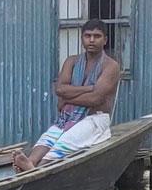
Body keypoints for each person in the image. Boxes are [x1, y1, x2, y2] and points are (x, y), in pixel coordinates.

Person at [13, 18, 122, 171]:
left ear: (105, 40)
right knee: (48, 137)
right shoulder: (72, 61)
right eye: (87, 35)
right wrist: (89, 88)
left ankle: (36, 170)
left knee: (64, 142)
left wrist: (68, 98)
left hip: (95, 120)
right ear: (82, 38)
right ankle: (29, 162)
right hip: (68, 118)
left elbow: (96, 99)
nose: (91, 40)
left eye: (97, 36)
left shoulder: (110, 66)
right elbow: (60, 90)